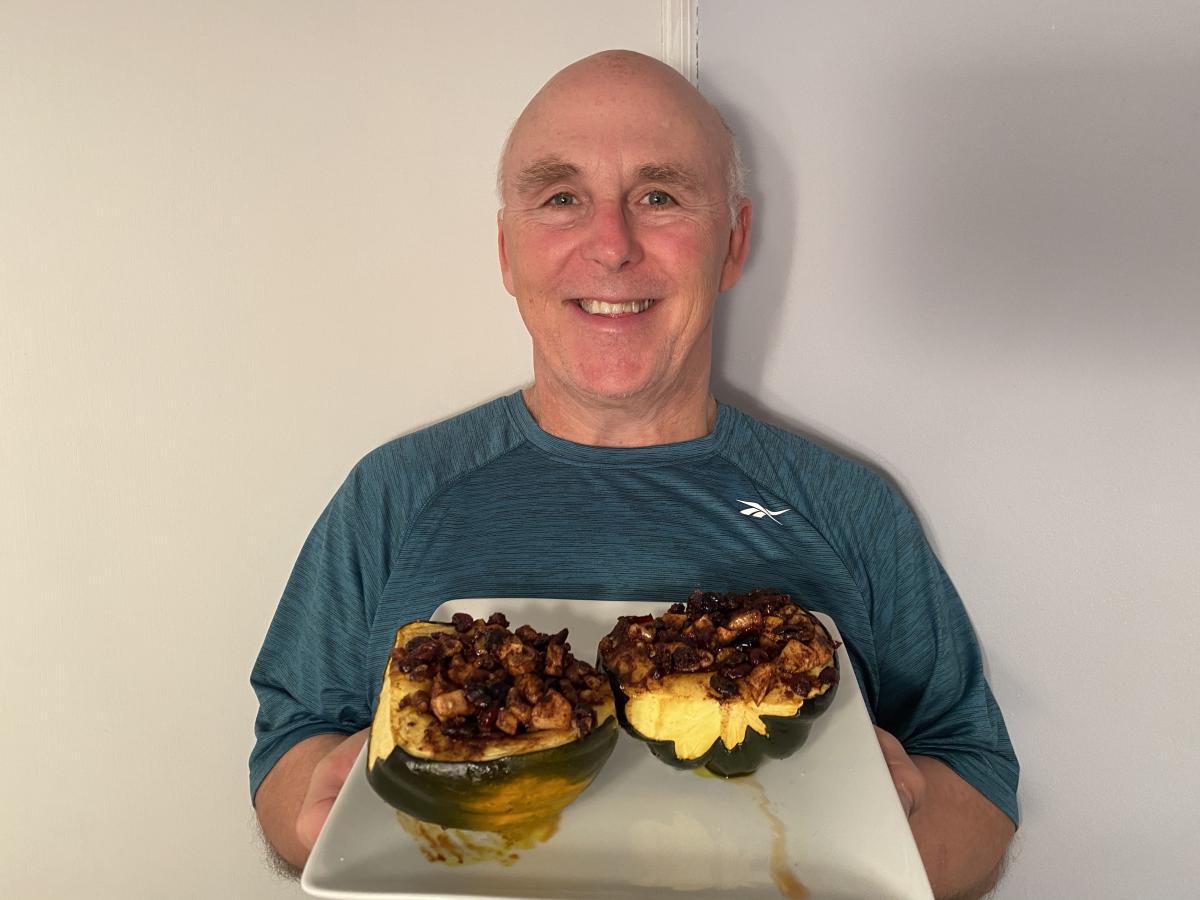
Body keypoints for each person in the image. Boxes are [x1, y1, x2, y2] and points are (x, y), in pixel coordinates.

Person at [250, 50, 1018, 899]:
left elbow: (974, 768)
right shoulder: (391, 496)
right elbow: (294, 732)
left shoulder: (849, 507)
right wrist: (314, 811)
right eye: (561, 198)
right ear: (508, 253)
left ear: (734, 244)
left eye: (659, 196)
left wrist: (899, 841)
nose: (611, 246)